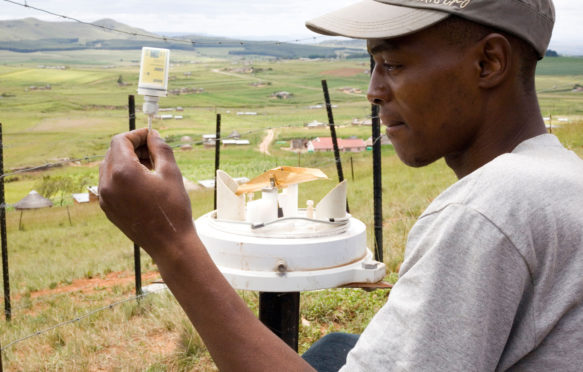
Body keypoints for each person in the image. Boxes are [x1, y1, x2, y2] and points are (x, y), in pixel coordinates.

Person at [99, 0, 583, 370]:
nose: (373, 90)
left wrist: (172, 241)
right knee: (336, 349)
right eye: (373, 64)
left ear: (488, 63)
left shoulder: (486, 214)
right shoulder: (559, 174)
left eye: (392, 64)